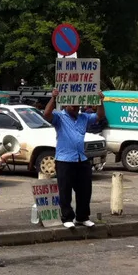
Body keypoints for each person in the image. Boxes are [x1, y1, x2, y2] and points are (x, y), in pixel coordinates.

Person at [42, 90, 106, 229]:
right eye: (73, 106)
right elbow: (46, 114)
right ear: (65, 105)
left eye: (78, 106)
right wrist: (53, 98)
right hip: (65, 159)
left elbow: (100, 116)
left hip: (81, 158)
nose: (76, 108)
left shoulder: (84, 117)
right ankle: (67, 217)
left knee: (85, 190)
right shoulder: (59, 117)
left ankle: (82, 217)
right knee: (65, 190)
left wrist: (101, 101)